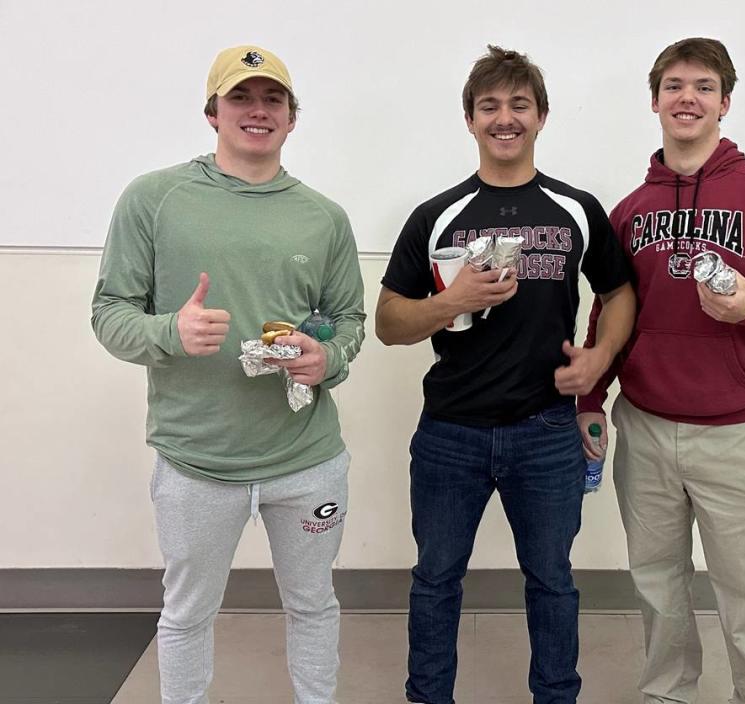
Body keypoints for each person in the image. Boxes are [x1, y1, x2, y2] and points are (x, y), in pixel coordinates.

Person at [91, 45, 365, 704]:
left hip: (306, 459)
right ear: (212, 112)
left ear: (292, 118)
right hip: (196, 461)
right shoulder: (153, 199)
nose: (258, 110)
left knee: (314, 606)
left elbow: (348, 321)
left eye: (273, 99)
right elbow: (108, 313)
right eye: (241, 97)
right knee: (187, 616)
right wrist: (169, 333)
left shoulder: (324, 217)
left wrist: (325, 357)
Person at [577, 38, 745, 704]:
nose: (686, 97)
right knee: (657, 588)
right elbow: (609, 308)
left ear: (725, 101)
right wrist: (591, 397)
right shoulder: (632, 210)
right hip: (644, 426)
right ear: (655, 101)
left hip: (732, 435)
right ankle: (668, 694)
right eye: (672, 85)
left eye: (702, 86)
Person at [376, 45, 635, 704]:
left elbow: (621, 291)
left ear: (541, 116)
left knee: (551, 578)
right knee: (435, 578)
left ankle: (556, 697)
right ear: (470, 119)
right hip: (449, 434)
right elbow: (388, 322)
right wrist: (450, 303)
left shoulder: (574, 209)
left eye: (519, 104)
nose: (505, 118)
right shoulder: (437, 214)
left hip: (545, 433)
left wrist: (601, 356)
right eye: (489, 106)